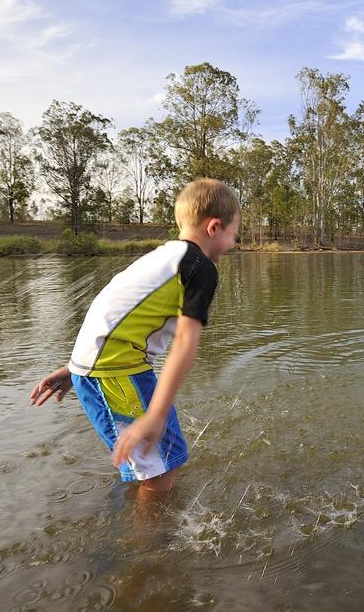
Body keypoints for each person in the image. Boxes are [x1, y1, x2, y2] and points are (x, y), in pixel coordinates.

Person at [30, 178, 241, 498]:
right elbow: (185, 342)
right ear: (214, 227)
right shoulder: (199, 267)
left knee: (161, 462)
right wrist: (154, 415)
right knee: (160, 472)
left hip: (106, 366)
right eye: (234, 234)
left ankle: (142, 530)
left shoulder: (165, 256)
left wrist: (73, 370)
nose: (234, 243)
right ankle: (146, 544)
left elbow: (113, 310)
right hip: (117, 369)